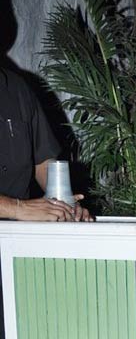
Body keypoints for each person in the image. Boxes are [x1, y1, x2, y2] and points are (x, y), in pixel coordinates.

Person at [0, 66, 91, 222]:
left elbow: (43, 160)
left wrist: (64, 205)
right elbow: (20, 209)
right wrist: (17, 208)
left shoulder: (17, 87)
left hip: (18, 231)